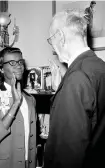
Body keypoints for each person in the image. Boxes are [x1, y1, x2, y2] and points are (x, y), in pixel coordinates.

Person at [44, 9, 105, 168]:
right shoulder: (100, 67)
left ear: (60, 37)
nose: (53, 47)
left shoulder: (76, 77)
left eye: (51, 40)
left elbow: (68, 152)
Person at [0, 47, 36, 168]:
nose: (18, 66)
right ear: (1, 69)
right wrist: (15, 105)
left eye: (20, 62)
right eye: (12, 63)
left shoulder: (30, 99)